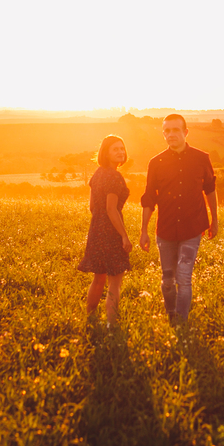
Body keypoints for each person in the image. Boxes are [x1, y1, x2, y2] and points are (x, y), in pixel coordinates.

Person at [139, 114, 219, 324]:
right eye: (167, 130)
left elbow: (210, 189)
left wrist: (215, 219)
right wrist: (144, 230)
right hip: (165, 231)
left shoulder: (202, 158)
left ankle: (180, 323)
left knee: (183, 278)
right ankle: (171, 314)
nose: (171, 134)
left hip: (193, 228)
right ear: (163, 133)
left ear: (185, 132)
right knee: (167, 280)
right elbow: (149, 198)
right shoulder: (155, 163)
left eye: (176, 130)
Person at [77, 135, 133, 325]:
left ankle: (90, 318)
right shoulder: (115, 177)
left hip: (96, 229)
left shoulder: (98, 174)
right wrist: (124, 236)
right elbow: (111, 209)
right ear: (106, 153)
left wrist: (100, 222)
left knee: (98, 278)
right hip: (111, 232)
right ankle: (112, 325)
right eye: (115, 149)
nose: (120, 152)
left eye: (122, 148)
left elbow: (93, 206)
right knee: (115, 282)